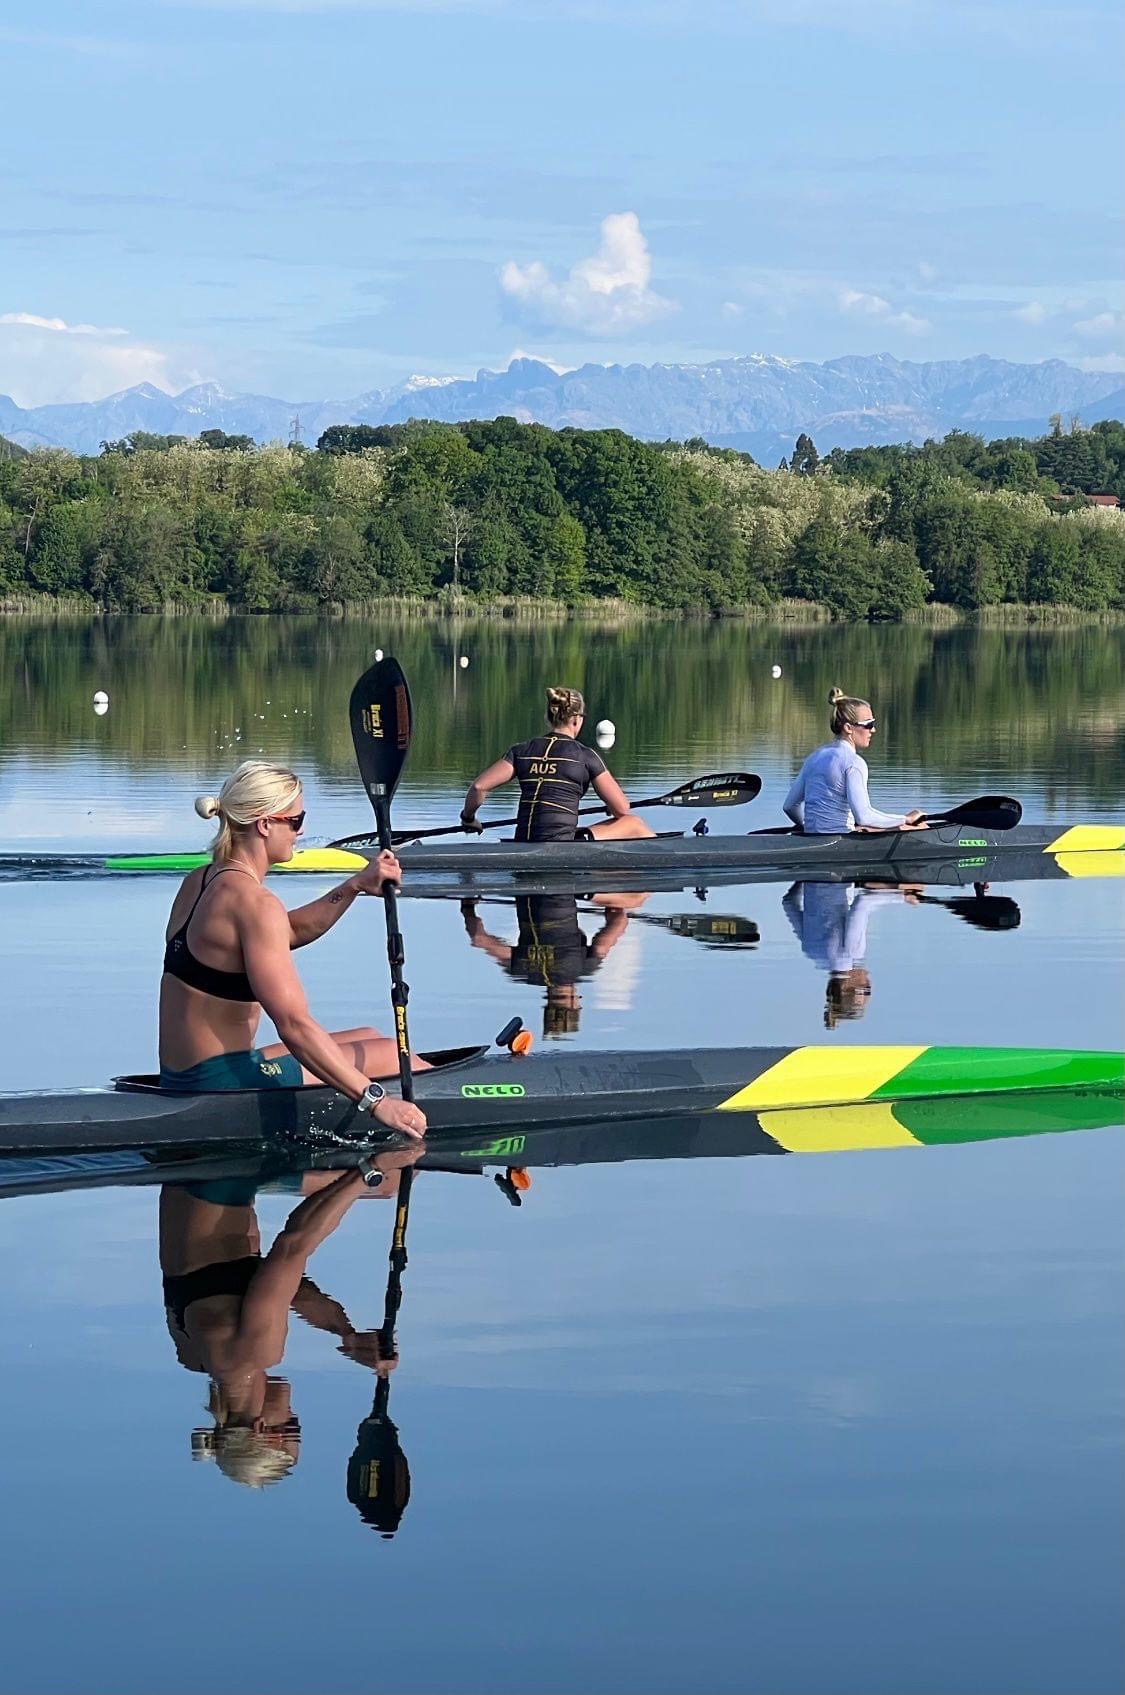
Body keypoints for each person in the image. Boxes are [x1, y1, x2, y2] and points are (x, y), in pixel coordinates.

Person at [159, 759, 427, 1138]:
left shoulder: (199, 881)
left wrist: (353, 886)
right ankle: (449, 1102)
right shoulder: (256, 904)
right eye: (296, 820)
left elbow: (287, 931)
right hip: (217, 1085)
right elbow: (294, 1026)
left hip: (183, 1073)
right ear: (265, 824)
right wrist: (376, 1102)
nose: (302, 831)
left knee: (369, 1035)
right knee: (387, 1054)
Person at [459, 686, 655, 843]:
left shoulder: (521, 751)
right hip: (562, 845)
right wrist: (612, 807)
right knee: (634, 823)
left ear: (549, 717)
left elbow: (479, 787)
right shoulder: (585, 756)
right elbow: (622, 809)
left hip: (523, 840)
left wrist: (468, 818)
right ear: (577, 720)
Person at [783, 688, 928, 835]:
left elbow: (789, 806)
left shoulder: (813, 758)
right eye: (868, 724)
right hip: (841, 840)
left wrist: (804, 826)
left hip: (811, 836)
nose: (873, 730)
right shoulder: (854, 763)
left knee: (869, 827)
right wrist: (905, 819)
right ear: (848, 728)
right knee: (920, 828)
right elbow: (864, 817)